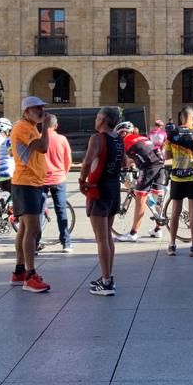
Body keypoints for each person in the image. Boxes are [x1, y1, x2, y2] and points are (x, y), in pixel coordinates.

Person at [9, 96, 53, 293]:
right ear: (26, 112)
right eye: (36, 109)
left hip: (28, 182)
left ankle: (19, 271)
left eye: (42, 108)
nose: (41, 112)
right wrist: (47, 127)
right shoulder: (24, 127)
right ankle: (30, 275)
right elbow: (42, 148)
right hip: (26, 182)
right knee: (33, 229)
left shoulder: (29, 126)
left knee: (25, 229)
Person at [78, 107, 124, 295]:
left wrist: (82, 181)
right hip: (114, 188)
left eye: (97, 117)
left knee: (101, 238)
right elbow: (123, 163)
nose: (95, 120)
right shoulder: (118, 139)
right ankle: (108, 275)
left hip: (98, 188)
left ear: (103, 120)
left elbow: (88, 162)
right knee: (108, 237)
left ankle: (106, 283)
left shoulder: (97, 138)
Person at [164, 107, 193, 256]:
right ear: (192, 117)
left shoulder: (172, 133)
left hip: (177, 176)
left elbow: (167, 156)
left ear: (181, 118)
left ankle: (172, 245)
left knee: (175, 211)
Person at [113, 121, 166, 241]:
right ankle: (158, 229)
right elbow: (140, 154)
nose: (118, 137)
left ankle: (133, 233)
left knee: (140, 197)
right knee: (157, 197)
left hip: (149, 168)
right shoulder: (141, 138)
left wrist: (119, 170)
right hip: (160, 164)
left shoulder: (126, 141)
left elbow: (122, 162)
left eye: (119, 134)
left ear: (124, 132)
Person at [43, 114, 74, 252]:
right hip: (58, 178)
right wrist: (64, 172)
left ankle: (36, 242)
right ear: (56, 126)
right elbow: (68, 159)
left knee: (39, 212)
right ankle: (66, 242)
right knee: (61, 210)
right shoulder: (62, 139)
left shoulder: (38, 138)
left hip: (41, 179)